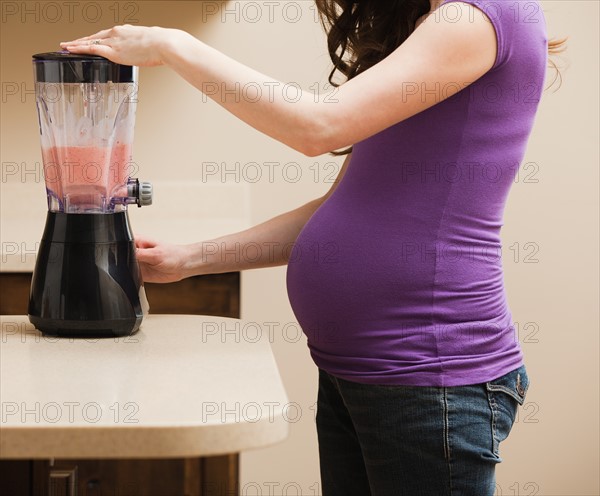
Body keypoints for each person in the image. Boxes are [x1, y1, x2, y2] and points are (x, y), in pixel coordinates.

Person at [61, 1, 566, 494]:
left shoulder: (484, 14)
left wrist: (170, 45)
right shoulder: (429, 24)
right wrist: (190, 259)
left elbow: (316, 127)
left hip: (429, 375)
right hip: (361, 369)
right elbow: (347, 208)